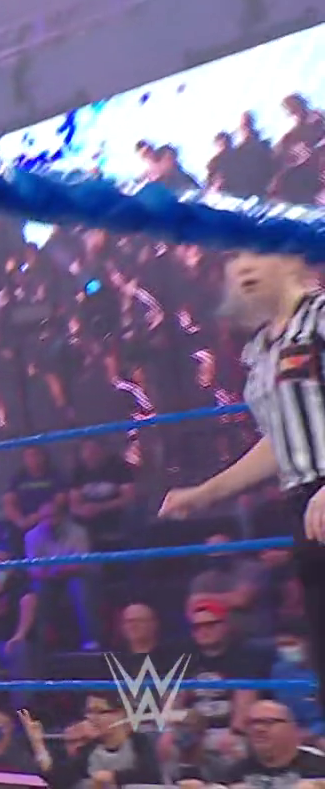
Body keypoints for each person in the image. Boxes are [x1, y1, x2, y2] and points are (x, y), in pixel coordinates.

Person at [161, 251, 325, 703]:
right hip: (304, 506)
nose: (244, 266)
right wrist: (205, 493)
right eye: (235, 257)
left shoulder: (320, 316)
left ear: (291, 257)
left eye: (257, 252)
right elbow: (281, 438)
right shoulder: (261, 348)